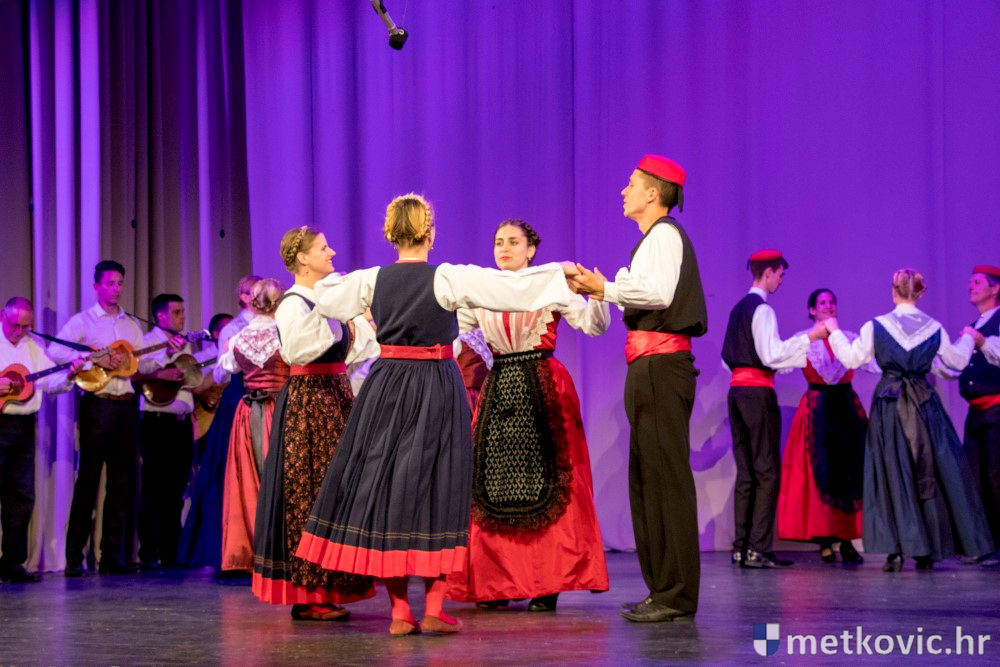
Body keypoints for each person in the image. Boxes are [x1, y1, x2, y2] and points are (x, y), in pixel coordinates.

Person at [296, 194, 579, 636]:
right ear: (430, 233)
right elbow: (508, 288)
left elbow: (327, 297)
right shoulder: (447, 277)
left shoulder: (371, 280)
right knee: (440, 485)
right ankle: (433, 607)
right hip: (434, 383)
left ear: (390, 233)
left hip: (388, 384)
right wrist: (558, 271)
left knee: (387, 487)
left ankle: (400, 612)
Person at [571, 155, 707, 623]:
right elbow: (642, 290)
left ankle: (677, 593)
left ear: (653, 193)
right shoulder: (651, 242)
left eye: (631, 184)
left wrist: (606, 288)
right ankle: (664, 587)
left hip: (662, 367)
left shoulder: (665, 236)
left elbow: (659, 295)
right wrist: (601, 290)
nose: (623, 191)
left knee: (666, 478)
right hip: (649, 366)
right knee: (649, 478)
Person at [448, 219, 610, 612]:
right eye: (498, 242)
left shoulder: (551, 283)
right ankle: (497, 582)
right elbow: (461, 338)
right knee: (492, 486)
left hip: (544, 384)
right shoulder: (481, 290)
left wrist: (598, 294)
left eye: (513, 242)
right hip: (500, 387)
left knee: (551, 483)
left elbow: (594, 326)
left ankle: (546, 583)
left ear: (530, 249)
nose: (504, 248)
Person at [827, 268, 994, 570]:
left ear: (894, 292)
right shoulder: (933, 327)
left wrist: (834, 331)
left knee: (893, 469)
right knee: (926, 469)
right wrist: (969, 339)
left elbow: (852, 358)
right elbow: (956, 362)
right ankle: (926, 548)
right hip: (923, 405)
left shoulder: (876, 325)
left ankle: (896, 548)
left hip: (890, 404)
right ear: (919, 293)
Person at [252, 227, 379, 620]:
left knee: (336, 489)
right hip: (309, 401)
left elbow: (352, 350)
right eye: (323, 248)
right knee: (308, 492)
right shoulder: (294, 304)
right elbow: (297, 350)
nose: (332, 252)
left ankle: (331, 585)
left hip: (334, 394)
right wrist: (328, 310)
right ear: (303, 258)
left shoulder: (324, 301)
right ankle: (310, 594)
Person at [721, 249, 828, 570]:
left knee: (747, 472)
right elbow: (770, 355)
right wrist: (811, 337)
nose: (781, 280)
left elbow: (727, 359)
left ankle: (741, 548)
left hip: (737, 392)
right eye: (780, 274)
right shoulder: (762, 310)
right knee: (766, 470)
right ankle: (758, 549)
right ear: (768, 272)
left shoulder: (738, 309)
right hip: (756, 393)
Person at [48, 260, 146, 576]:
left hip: (126, 404)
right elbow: (54, 351)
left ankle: (111, 556)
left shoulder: (131, 325)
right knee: (88, 480)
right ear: (96, 286)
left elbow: (144, 361)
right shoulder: (84, 321)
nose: (116, 289)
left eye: (120, 283)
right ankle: (74, 557)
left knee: (121, 482)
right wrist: (91, 357)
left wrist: (165, 353)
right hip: (98, 405)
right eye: (110, 283)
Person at [776, 289, 869, 564]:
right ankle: (825, 540)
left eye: (831, 302)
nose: (828, 306)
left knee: (848, 475)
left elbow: (870, 361)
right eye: (822, 302)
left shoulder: (849, 338)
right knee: (820, 473)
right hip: (816, 408)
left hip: (846, 409)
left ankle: (847, 539)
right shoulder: (804, 339)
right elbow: (778, 362)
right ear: (812, 310)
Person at [0, 297, 83, 582]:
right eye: (15, 325)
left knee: (21, 497)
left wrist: (69, 374)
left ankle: (12, 565)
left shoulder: (33, 346)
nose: (19, 331)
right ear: (3, 317)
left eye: (25, 326)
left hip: (24, 427)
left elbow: (50, 382)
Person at [178, 276, 259, 571]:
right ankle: (232, 548)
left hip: (269, 395)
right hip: (241, 396)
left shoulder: (274, 323)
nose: (260, 298)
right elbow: (222, 372)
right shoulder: (233, 329)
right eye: (254, 292)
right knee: (230, 470)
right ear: (243, 296)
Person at [218, 279, 289, 573]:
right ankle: (281, 550)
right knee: (281, 476)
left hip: (248, 412)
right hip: (280, 409)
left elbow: (226, 367)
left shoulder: (239, 337)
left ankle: (252, 550)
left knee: (248, 479)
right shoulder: (285, 335)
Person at [135, 294, 197, 570]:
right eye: (176, 312)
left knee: (176, 488)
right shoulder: (148, 341)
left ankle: (172, 553)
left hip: (181, 423)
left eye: (183, 311)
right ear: (161, 316)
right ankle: (149, 552)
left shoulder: (184, 343)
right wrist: (167, 355)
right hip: (157, 421)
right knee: (154, 487)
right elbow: (141, 368)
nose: (182, 317)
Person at [955, 265, 1000, 560]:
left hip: (997, 410)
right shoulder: (975, 324)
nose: (970, 286)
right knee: (975, 477)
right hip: (977, 413)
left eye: (977, 282)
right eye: (970, 282)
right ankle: (983, 543)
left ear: (994, 288)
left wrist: (981, 341)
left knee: (996, 478)